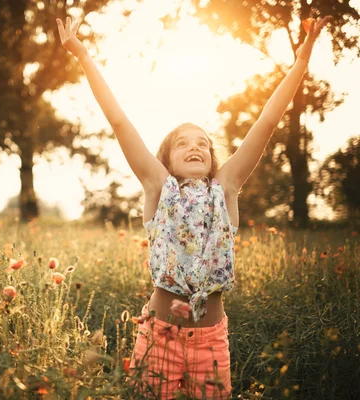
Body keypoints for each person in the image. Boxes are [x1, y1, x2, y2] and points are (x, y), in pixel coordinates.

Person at [57, 14, 332, 400]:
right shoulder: (158, 187)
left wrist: (302, 61)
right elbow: (119, 122)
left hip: (210, 341)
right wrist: (83, 55)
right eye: (183, 142)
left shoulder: (226, 188)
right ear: (165, 159)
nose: (195, 147)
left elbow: (267, 122)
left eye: (203, 143)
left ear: (213, 158)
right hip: (158, 336)